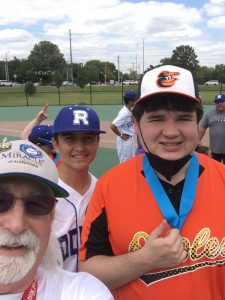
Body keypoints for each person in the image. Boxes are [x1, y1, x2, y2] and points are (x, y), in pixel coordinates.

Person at [79, 65, 225, 299]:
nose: (170, 132)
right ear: (136, 125)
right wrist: (142, 260)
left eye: (183, 118)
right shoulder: (110, 186)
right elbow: (87, 272)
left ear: (197, 124)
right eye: (157, 119)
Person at [0, 138, 113, 299]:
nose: (16, 225)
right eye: (0, 201)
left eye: (36, 204)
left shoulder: (80, 292)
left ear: (51, 217)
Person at [51, 105, 106, 272]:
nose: (80, 147)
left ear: (97, 142)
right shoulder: (42, 193)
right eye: (70, 138)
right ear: (55, 144)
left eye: (88, 138)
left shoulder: (104, 191)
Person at [110, 90, 137, 163]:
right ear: (130, 101)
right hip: (125, 141)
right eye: (135, 99)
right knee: (124, 163)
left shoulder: (130, 109)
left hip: (130, 139)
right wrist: (121, 135)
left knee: (131, 161)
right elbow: (113, 126)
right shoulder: (124, 113)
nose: (137, 100)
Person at [199, 93, 225, 163]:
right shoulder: (210, 114)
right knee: (215, 170)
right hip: (214, 150)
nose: (219, 104)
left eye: (221, 102)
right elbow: (202, 127)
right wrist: (198, 140)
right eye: (217, 102)